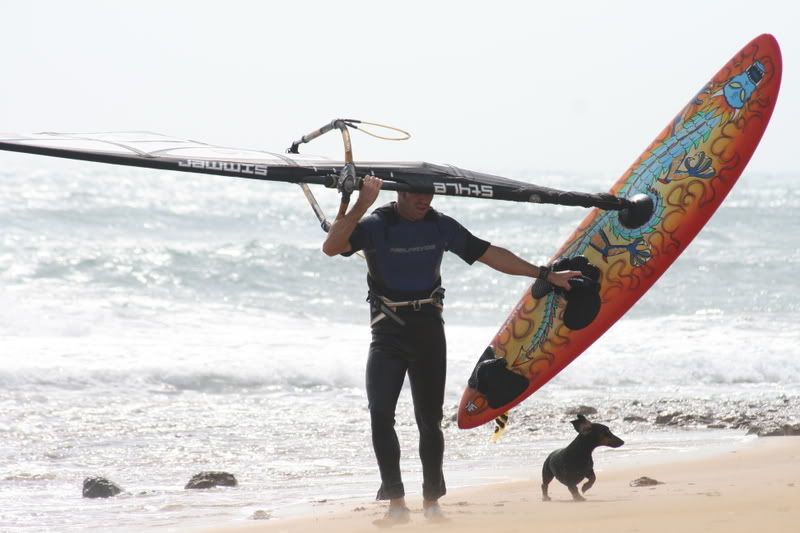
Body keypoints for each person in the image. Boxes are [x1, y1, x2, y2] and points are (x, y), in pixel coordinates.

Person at [322, 175, 578, 524]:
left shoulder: (440, 226)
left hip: (427, 331)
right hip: (387, 334)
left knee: (429, 421)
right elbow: (332, 246)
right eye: (416, 192)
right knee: (380, 414)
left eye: (429, 191)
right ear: (399, 192)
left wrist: (545, 274)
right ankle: (396, 502)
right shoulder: (375, 224)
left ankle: (432, 502)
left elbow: (491, 254)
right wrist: (363, 202)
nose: (424, 198)